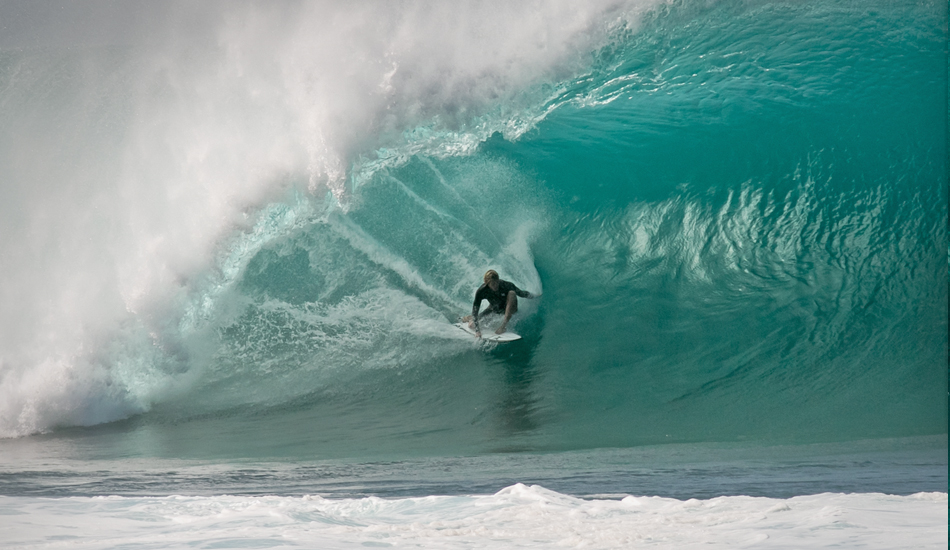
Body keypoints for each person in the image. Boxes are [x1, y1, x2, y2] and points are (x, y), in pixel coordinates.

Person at [463, 269, 537, 337]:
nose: (496, 285)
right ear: (487, 283)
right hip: (494, 309)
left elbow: (522, 293)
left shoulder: (506, 285)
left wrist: (534, 296)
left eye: (497, 282)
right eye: (493, 284)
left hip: (510, 309)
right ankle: (470, 317)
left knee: (512, 293)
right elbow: (475, 309)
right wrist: (477, 331)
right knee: (471, 325)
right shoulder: (482, 291)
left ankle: (503, 326)